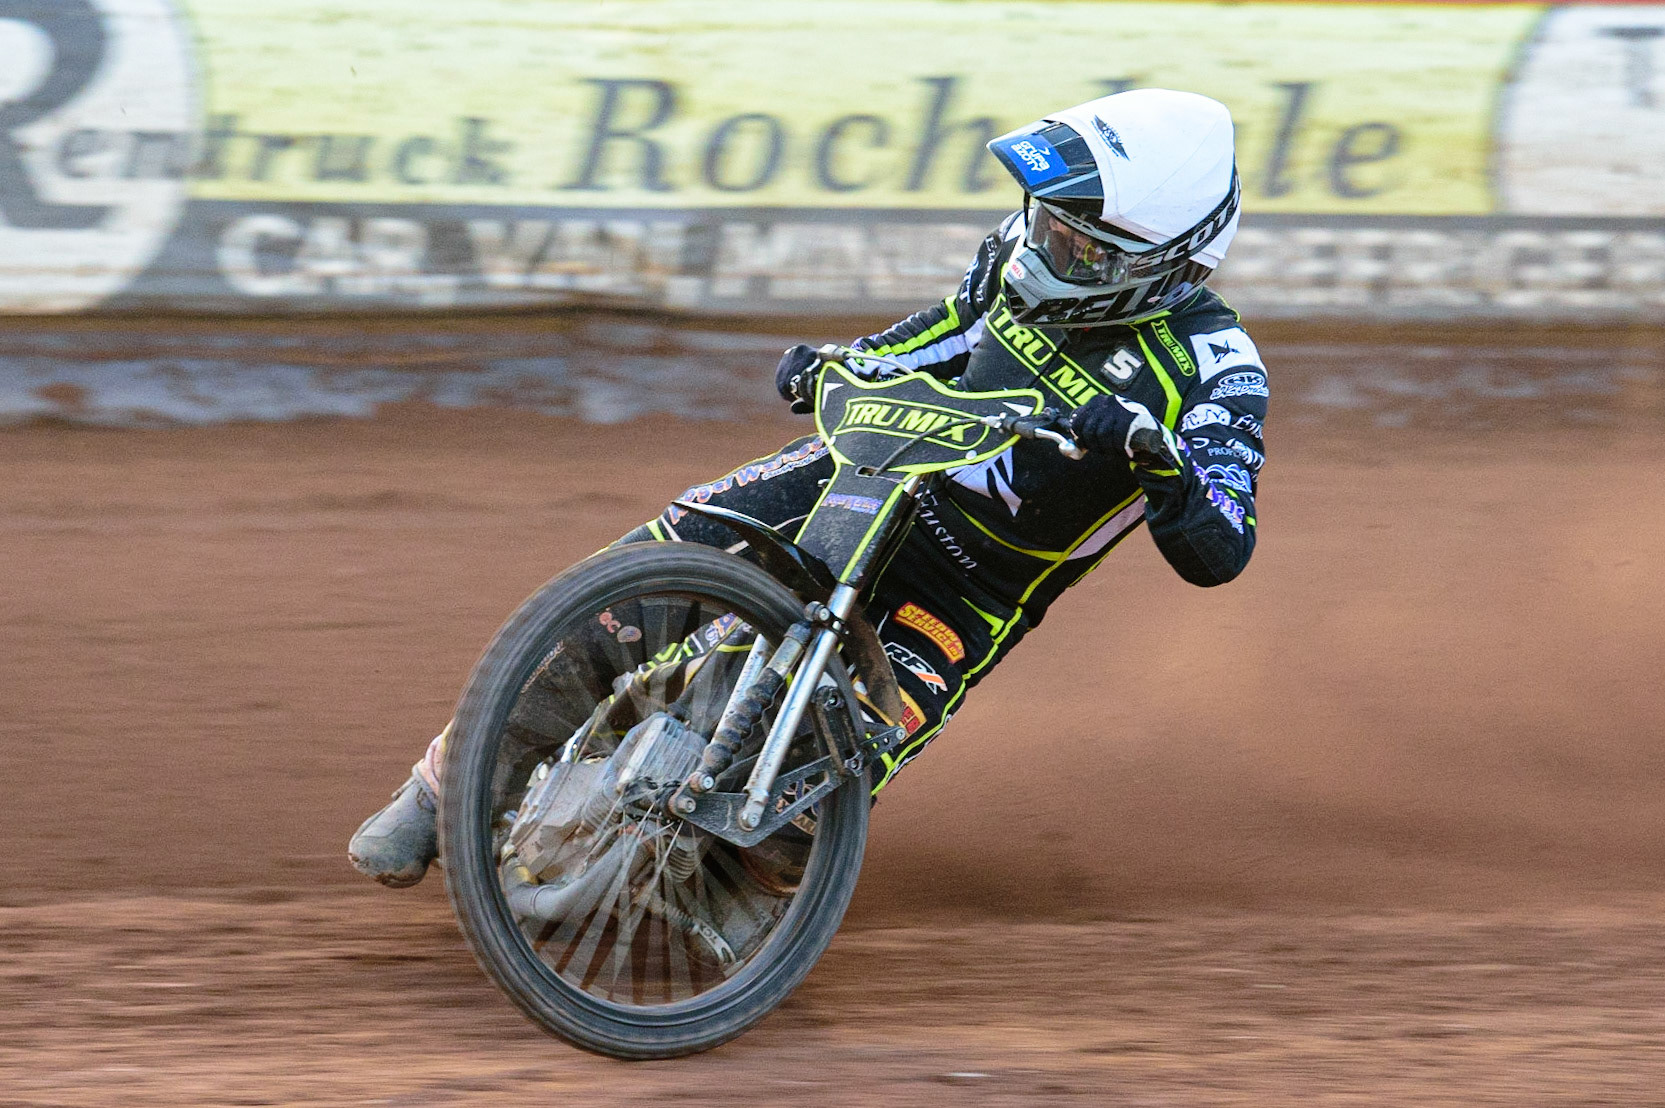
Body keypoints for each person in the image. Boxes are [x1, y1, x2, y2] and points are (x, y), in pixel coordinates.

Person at [349, 88, 1268, 888]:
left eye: (1077, 248)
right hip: (863, 472)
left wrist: (1158, 461)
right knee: (626, 590)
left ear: (1164, 262)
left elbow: (1221, 547)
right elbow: (945, 332)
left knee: (806, 805)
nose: (1041, 251)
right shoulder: (1017, 253)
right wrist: (840, 361)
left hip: (970, 586)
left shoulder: (1216, 368)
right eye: (1043, 222)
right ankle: (441, 790)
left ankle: (716, 913)